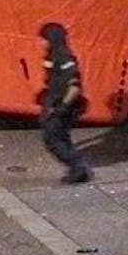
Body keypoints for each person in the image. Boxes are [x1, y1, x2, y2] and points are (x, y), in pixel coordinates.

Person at [39, 22, 92, 184]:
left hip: (63, 105)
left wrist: (62, 107)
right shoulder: (52, 55)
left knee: (52, 137)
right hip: (56, 102)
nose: (42, 42)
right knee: (61, 135)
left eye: (44, 38)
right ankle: (77, 167)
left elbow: (74, 85)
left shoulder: (63, 56)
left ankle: (78, 167)